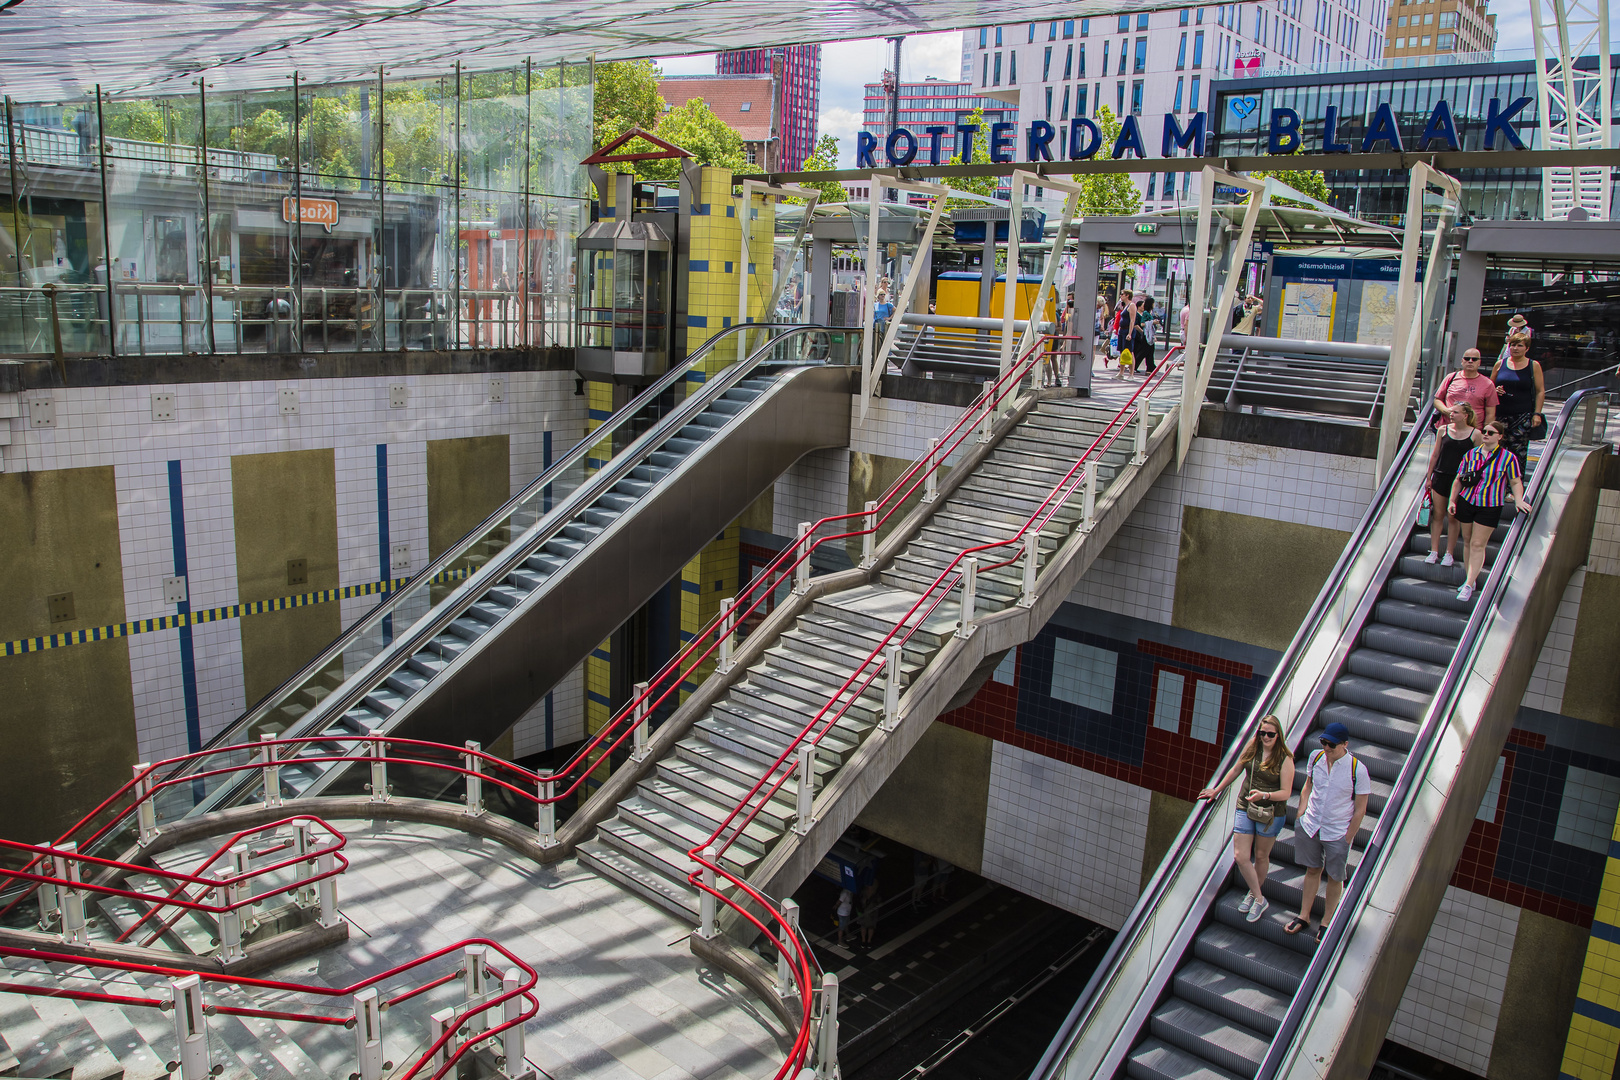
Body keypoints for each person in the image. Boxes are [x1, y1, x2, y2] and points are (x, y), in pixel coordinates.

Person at [1198, 713, 1295, 924]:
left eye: (1270, 734)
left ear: (1278, 735)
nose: (1266, 737)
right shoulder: (1253, 747)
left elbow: (1286, 793)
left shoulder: (1285, 759)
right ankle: (1260, 898)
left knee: (1261, 855)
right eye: (1262, 733)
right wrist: (1217, 790)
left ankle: (1253, 894)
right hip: (1245, 805)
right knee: (1241, 856)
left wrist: (1265, 795)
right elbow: (1236, 768)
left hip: (1270, 813)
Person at [1286, 721, 1370, 944]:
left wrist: (1348, 837)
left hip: (1337, 832)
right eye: (1323, 742)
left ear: (1345, 744)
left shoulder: (1357, 770)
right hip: (1311, 825)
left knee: (1335, 877)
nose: (1326, 747)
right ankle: (1304, 916)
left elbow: (1361, 809)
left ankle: (1326, 922)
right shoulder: (1315, 758)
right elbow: (1308, 786)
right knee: (1313, 869)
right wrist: (1301, 815)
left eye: (1331, 744)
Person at [1448, 420, 1530, 602]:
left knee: (1478, 544)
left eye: (1491, 432)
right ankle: (1471, 578)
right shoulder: (1472, 454)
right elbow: (1459, 478)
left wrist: (1518, 500)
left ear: (1500, 436)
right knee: (1468, 541)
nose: (1485, 434)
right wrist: (1452, 500)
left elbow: (1515, 481)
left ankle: (1468, 584)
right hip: (1468, 500)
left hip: (1490, 504)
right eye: (1484, 431)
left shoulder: (1508, 458)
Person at [1424, 402, 1481, 570]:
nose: (1451, 414)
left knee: (1453, 517)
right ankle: (1434, 550)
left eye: (1456, 412)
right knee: (1438, 514)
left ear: (1465, 415)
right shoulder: (1443, 430)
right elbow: (1435, 455)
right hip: (1441, 475)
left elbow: (1477, 460)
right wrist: (1429, 477)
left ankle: (1449, 552)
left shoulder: (1475, 434)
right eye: (1451, 411)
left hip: (1461, 480)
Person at [1490, 333, 1544, 473]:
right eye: (1513, 345)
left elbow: (1540, 391)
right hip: (1499, 415)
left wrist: (1537, 413)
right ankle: (1495, 482)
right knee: (1495, 450)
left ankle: (1513, 488)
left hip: (1522, 416)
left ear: (1526, 348)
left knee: (1518, 453)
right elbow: (1489, 387)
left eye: (1519, 345)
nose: (1515, 348)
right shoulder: (1500, 364)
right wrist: (1495, 390)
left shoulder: (1533, 365)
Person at [1431, 349, 1498, 432]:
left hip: (1473, 432)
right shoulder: (1451, 377)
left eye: (1474, 359)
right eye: (1467, 359)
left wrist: (1486, 432)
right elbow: (1437, 400)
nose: (1470, 361)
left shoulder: (1488, 384)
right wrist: (1446, 411)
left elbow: (1490, 413)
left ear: (1479, 362)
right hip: (1448, 429)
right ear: (1462, 361)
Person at [1115, 292, 1137, 378]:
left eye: (1122, 294)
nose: (1121, 296)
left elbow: (1132, 320)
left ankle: (1131, 373)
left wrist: (1130, 333)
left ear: (1127, 295)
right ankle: (1121, 372)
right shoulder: (1124, 305)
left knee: (1129, 351)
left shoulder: (1131, 305)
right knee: (1122, 351)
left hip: (1127, 330)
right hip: (1122, 330)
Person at [1134, 296, 1158, 374]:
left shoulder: (1149, 313)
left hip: (1149, 335)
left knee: (1149, 352)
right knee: (1143, 352)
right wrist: (1152, 322)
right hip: (1146, 336)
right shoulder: (1145, 313)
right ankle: (1134, 365)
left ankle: (1150, 368)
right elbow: (1142, 323)